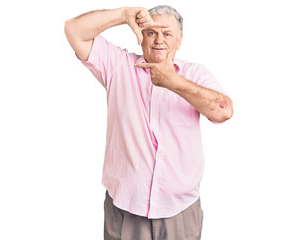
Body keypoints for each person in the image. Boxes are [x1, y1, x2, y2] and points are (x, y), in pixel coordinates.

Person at [65, 5, 233, 240]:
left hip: (180, 211)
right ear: (141, 36)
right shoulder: (118, 65)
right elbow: (74, 30)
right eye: (151, 32)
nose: (158, 40)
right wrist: (123, 16)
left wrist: (172, 81)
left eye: (167, 34)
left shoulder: (195, 74)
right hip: (125, 207)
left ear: (179, 40)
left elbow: (223, 111)